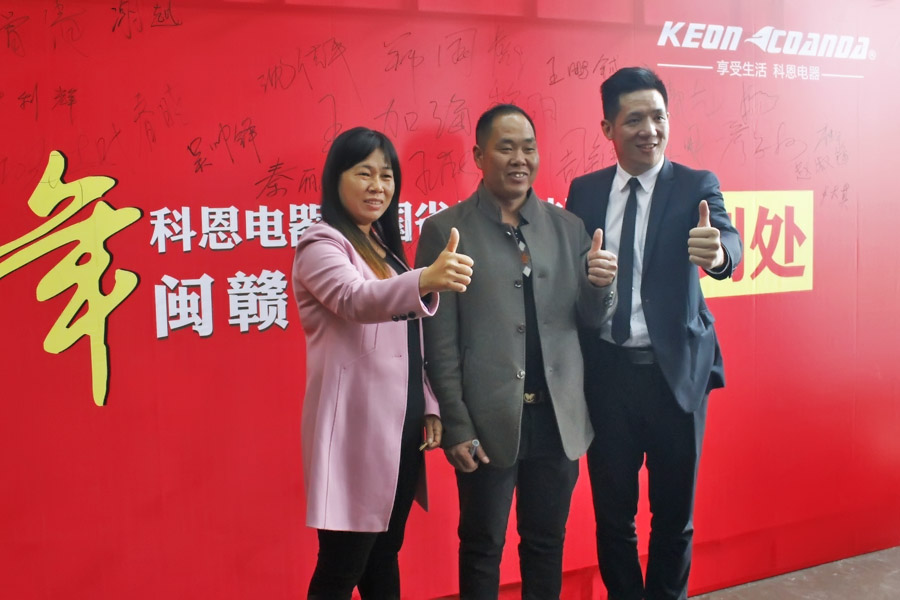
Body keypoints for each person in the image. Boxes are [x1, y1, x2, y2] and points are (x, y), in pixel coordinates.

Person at [415, 104, 617, 598]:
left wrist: (600, 287)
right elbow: (440, 343)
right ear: (479, 156)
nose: (519, 159)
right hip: (486, 420)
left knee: (546, 543)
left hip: (557, 419)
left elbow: (590, 321)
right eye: (505, 148)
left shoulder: (568, 227)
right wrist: (457, 424)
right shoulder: (447, 230)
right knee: (482, 545)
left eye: (528, 148)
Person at [565, 67, 743, 600]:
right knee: (613, 518)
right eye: (635, 119)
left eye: (659, 117)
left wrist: (718, 254)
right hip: (608, 378)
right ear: (608, 128)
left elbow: (729, 242)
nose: (650, 129)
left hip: (676, 379)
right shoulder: (585, 192)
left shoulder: (695, 186)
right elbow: (573, 276)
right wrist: (586, 275)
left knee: (674, 519)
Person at [291, 126, 474, 600]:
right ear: (336, 178)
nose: (378, 186)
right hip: (356, 430)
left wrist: (428, 404)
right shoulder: (321, 244)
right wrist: (425, 279)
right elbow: (354, 299)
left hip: (401, 429)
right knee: (341, 568)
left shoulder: (381, 247)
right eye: (364, 173)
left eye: (387, 176)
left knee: (384, 555)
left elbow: (406, 340)